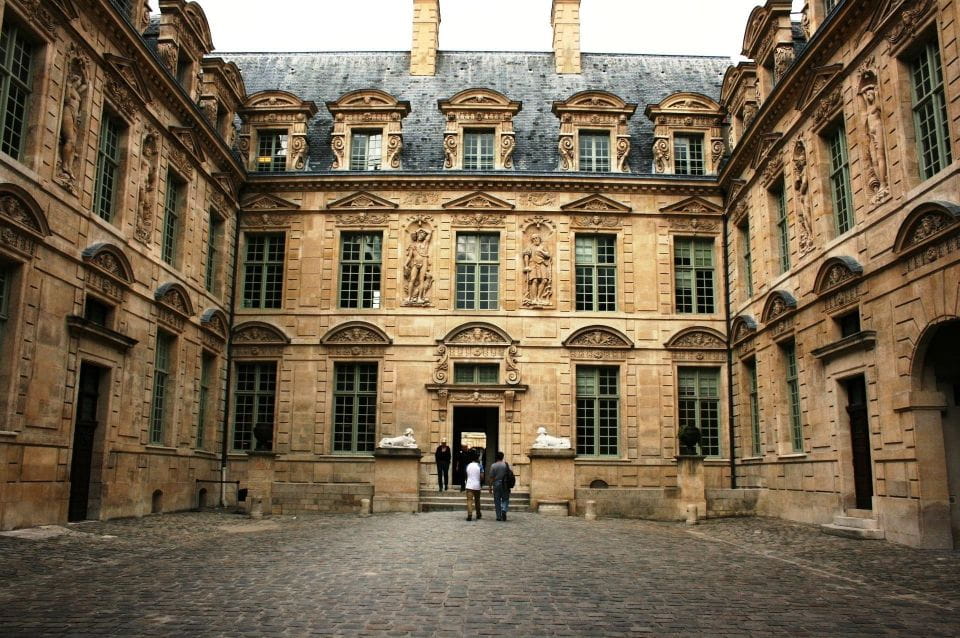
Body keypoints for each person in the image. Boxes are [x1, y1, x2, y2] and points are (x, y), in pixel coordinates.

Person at [487, 451, 511, 521]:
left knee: (497, 500)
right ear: (503, 457)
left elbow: (491, 477)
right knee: (505, 498)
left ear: (496, 457)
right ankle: (504, 509)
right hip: (505, 484)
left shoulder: (493, 466)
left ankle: (498, 516)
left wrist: (490, 487)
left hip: (496, 484)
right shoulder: (506, 465)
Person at [464, 450, 483, 521]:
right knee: (477, 500)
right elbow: (482, 476)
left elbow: (466, 475)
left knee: (469, 500)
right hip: (477, 485)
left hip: (469, 485)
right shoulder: (480, 466)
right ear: (477, 458)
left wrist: (467, 481)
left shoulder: (468, 465)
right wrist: (480, 482)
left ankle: (469, 514)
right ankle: (478, 514)